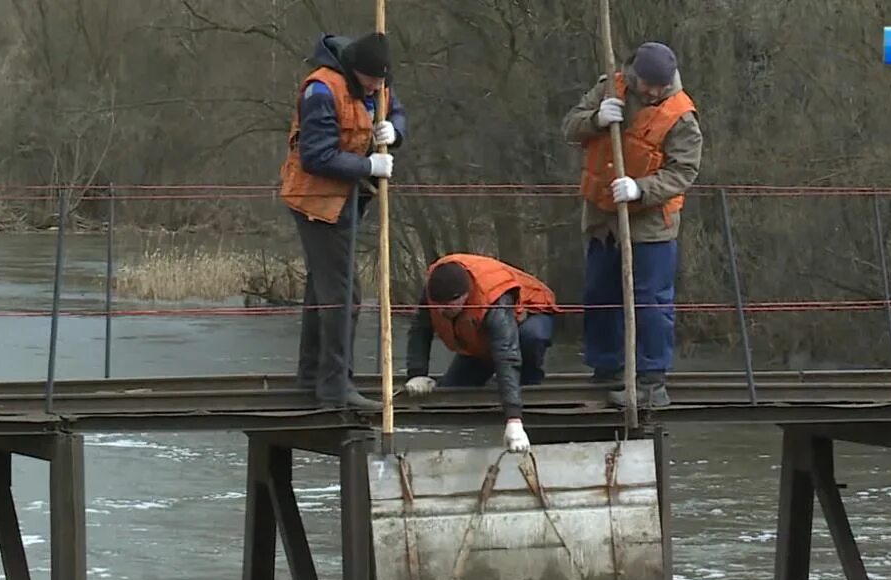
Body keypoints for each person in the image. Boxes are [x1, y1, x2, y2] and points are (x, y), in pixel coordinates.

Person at [561, 41, 702, 408]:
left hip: (651, 223)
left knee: (650, 303)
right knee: (599, 293)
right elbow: (570, 127)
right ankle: (607, 369)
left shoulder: (681, 116)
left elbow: (683, 172)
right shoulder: (611, 87)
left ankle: (652, 383)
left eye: (660, 85)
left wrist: (641, 189)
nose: (653, 92)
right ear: (636, 75)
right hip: (601, 217)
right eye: (648, 84)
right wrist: (596, 119)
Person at [279, 31, 408, 411]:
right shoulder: (321, 91)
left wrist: (395, 131)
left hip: (348, 201)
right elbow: (315, 156)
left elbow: (395, 109)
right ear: (356, 71)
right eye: (372, 82)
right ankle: (335, 388)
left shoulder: (376, 81)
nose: (378, 89)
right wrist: (368, 165)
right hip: (316, 201)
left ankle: (310, 379)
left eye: (382, 83)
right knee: (343, 294)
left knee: (323, 292)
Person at [402, 254, 560, 453]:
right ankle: (500, 385)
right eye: (437, 306)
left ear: (464, 296)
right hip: (480, 340)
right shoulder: (434, 286)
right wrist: (417, 373)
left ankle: (526, 384)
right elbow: (420, 329)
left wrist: (513, 419)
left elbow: (506, 353)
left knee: (531, 338)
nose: (441, 311)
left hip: (529, 318)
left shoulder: (494, 297)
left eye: (448, 307)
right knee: (451, 398)